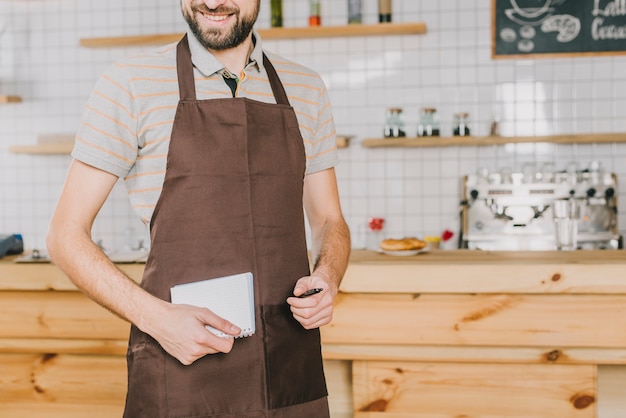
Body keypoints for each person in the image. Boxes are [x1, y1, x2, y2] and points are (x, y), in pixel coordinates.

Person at [46, 0, 351, 416]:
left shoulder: (306, 88)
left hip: (286, 364)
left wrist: (328, 276)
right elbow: (65, 235)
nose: (213, 1)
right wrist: (156, 320)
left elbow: (330, 219)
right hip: (180, 365)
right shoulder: (130, 83)